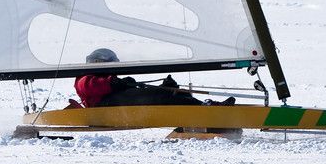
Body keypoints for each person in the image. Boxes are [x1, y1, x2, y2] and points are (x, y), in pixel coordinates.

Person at [70, 48, 234, 108]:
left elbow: (110, 83)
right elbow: (92, 86)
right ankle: (205, 109)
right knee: (160, 96)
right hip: (104, 106)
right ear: (97, 63)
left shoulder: (109, 80)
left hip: (117, 100)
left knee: (170, 91)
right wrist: (115, 82)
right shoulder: (84, 78)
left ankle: (207, 106)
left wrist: (165, 86)